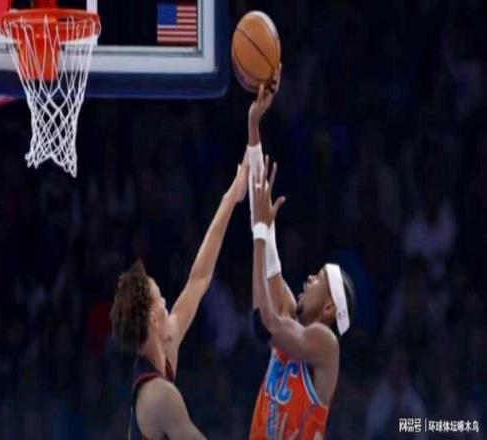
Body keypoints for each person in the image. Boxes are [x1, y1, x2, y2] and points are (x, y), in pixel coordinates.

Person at [246, 79, 356, 439]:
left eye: (317, 279)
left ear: (329, 308)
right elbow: (259, 206)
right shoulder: (289, 314)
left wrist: (261, 232)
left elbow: (266, 324)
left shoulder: (326, 346)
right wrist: (254, 127)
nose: (308, 278)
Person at [109, 161, 248, 440]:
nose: (167, 303)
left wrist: (231, 197)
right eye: (160, 299)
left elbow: (199, 279)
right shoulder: (158, 396)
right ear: (152, 319)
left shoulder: (163, 349)